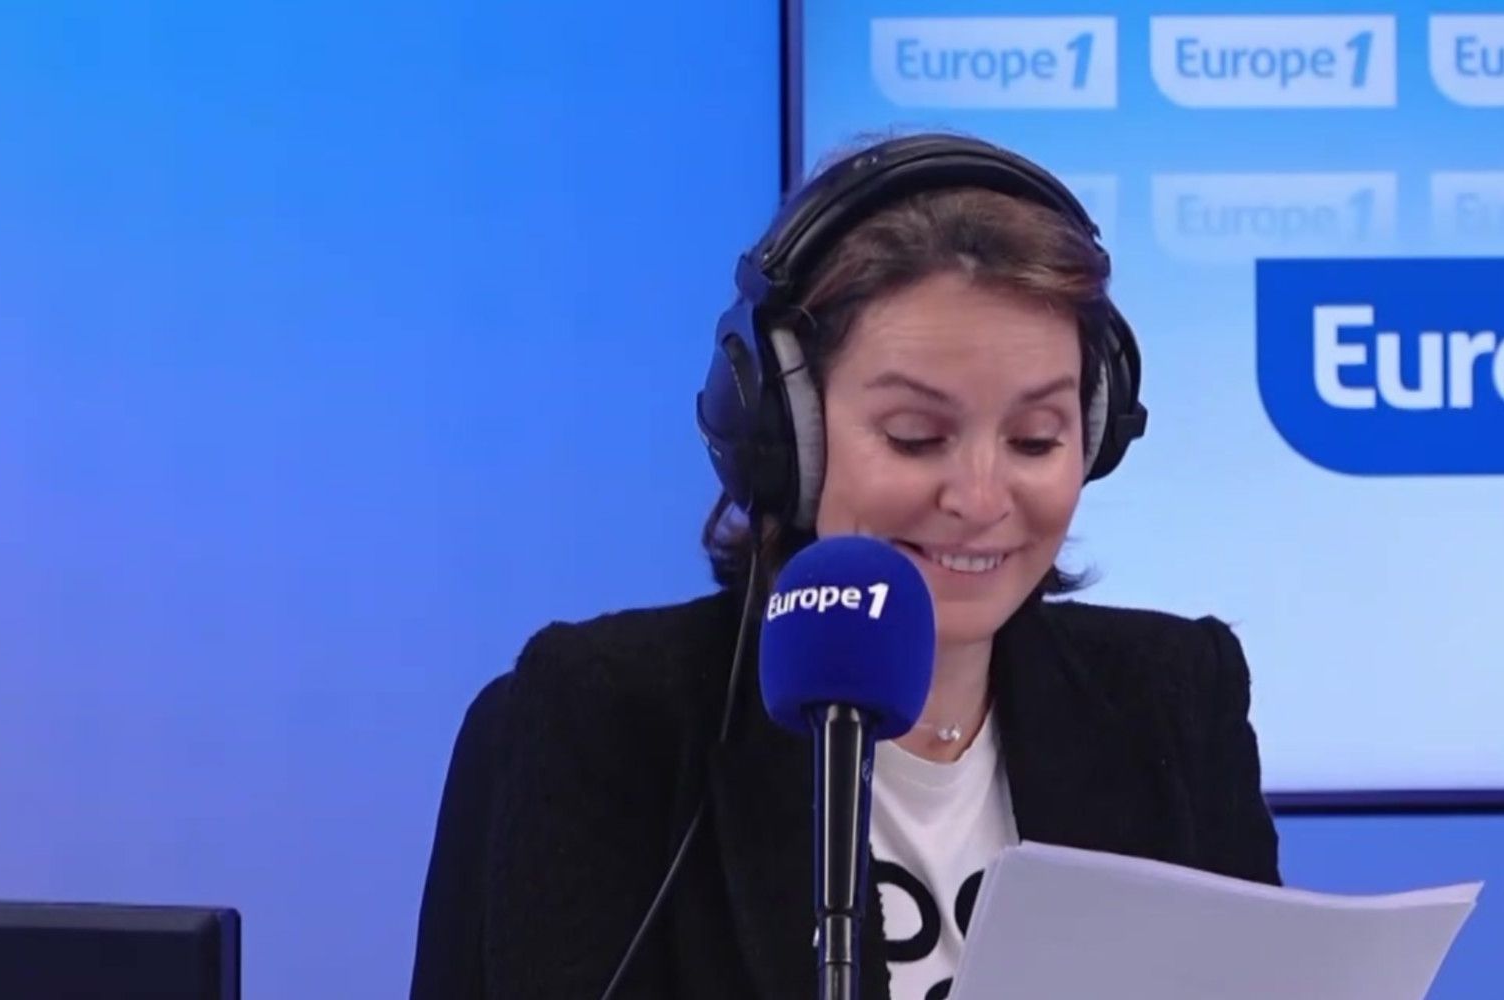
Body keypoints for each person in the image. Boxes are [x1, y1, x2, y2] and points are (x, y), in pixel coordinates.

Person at [408, 132, 1280, 1000]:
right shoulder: (600, 722)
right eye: (916, 437)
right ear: (787, 438)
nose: (980, 497)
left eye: (1034, 439)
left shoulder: (1175, 704)